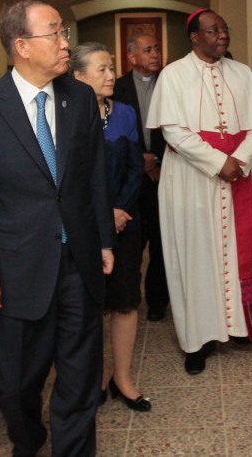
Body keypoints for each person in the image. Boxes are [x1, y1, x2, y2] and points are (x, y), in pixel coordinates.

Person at [0, 0, 115, 457]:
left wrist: (104, 240)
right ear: (22, 45)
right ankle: (27, 442)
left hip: (78, 261)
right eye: (56, 32)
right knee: (17, 384)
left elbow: (94, 176)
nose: (66, 43)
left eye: (65, 32)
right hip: (15, 268)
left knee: (81, 378)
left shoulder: (79, 98)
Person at [146, 8, 252, 375]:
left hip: (239, 177)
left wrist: (239, 160)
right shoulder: (173, 75)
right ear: (194, 37)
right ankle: (198, 340)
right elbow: (174, 131)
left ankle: (238, 325)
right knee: (197, 258)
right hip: (193, 180)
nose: (222, 35)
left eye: (224, 29)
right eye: (213, 30)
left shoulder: (242, 73)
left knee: (237, 254)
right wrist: (219, 162)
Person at [71, 42, 150, 412]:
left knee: (125, 300)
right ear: (77, 76)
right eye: (101, 69)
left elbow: (136, 166)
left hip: (125, 222)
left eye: (112, 68)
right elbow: (71, 179)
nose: (110, 75)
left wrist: (119, 210)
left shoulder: (126, 113)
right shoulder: (65, 117)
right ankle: (98, 375)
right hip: (85, 228)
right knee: (90, 306)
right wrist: (103, 215)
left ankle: (123, 377)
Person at [112, 32, 170, 321]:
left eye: (157, 48)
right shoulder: (117, 88)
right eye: (148, 50)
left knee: (162, 242)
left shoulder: (171, 84)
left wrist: (156, 160)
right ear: (132, 56)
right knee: (133, 244)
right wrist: (141, 161)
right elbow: (113, 133)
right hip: (131, 180)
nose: (155, 54)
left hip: (165, 175)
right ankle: (128, 299)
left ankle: (158, 301)